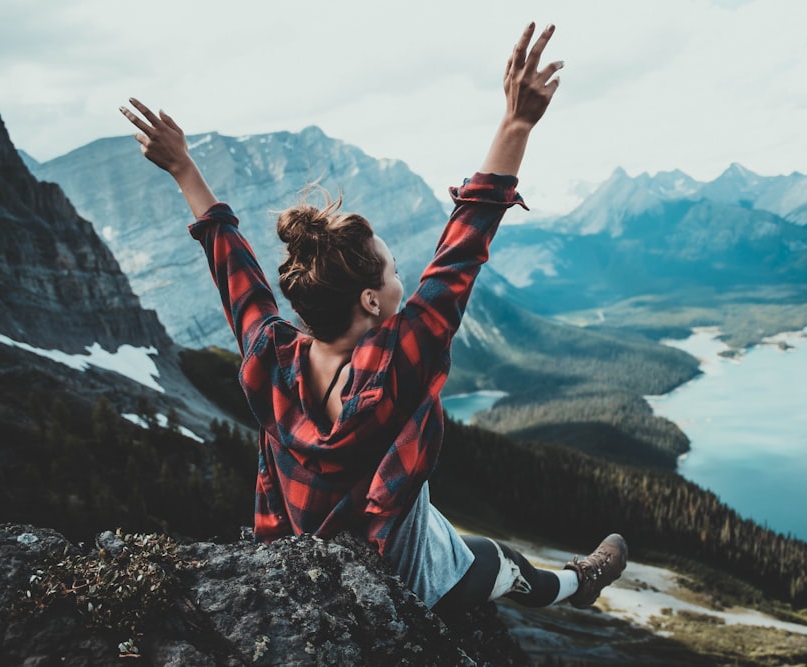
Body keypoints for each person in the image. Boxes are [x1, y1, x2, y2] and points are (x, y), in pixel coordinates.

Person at [121, 21, 626, 617]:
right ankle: (579, 583)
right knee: (501, 564)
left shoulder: (268, 356)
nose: (401, 279)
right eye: (390, 271)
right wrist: (516, 123)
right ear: (368, 301)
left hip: (302, 568)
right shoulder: (392, 372)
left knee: (477, 550)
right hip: (403, 576)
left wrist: (184, 169)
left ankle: (569, 579)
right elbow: (461, 250)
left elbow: (237, 277)